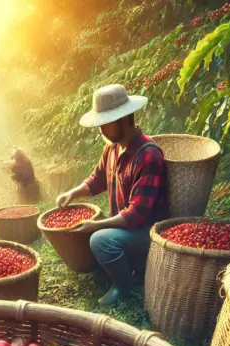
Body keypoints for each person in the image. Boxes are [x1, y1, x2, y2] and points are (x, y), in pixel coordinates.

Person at [56, 84, 168, 306]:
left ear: (123, 119)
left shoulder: (149, 155)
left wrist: (96, 226)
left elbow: (135, 215)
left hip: (147, 230)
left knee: (99, 238)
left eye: (105, 123)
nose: (100, 130)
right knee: (96, 232)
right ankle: (121, 264)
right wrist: (73, 192)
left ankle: (124, 286)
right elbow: (97, 179)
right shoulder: (112, 147)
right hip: (126, 225)